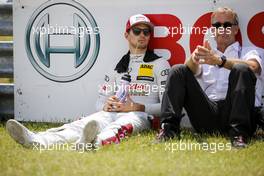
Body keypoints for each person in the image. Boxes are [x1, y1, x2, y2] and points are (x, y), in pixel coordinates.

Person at [6, 14, 171, 149]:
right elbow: (99, 103)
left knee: (118, 127)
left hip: (140, 115)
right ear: (127, 35)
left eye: (146, 32)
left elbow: (167, 107)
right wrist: (106, 105)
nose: (142, 35)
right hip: (111, 113)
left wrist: (137, 107)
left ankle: (92, 145)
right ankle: (37, 140)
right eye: (137, 30)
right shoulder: (115, 67)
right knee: (82, 125)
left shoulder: (160, 64)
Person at [157, 7, 263, 148]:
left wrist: (220, 61)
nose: (222, 29)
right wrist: (193, 58)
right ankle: (168, 131)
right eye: (217, 25)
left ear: (236, 29)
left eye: (227, 25)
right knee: (178, 70)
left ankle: (239, 136)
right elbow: (188, 72)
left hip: (238, 112)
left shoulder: (249, 51)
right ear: (212, 30)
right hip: (208, 114)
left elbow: (254, 67)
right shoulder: (206, 54)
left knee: (241, 68)